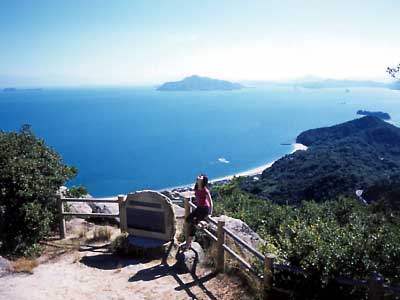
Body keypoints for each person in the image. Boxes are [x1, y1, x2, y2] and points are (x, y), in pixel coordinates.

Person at [184, 173, 213, 251]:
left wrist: (210, 213)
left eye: (200, 177)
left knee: (193, 226)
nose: (198, 177)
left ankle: (187, 245)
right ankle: (202, 223)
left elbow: (210, 201)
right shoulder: (196, 187)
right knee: (188, 219)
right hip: (198, 208)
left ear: (203, 180)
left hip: (204, 209)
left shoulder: (205, 190)